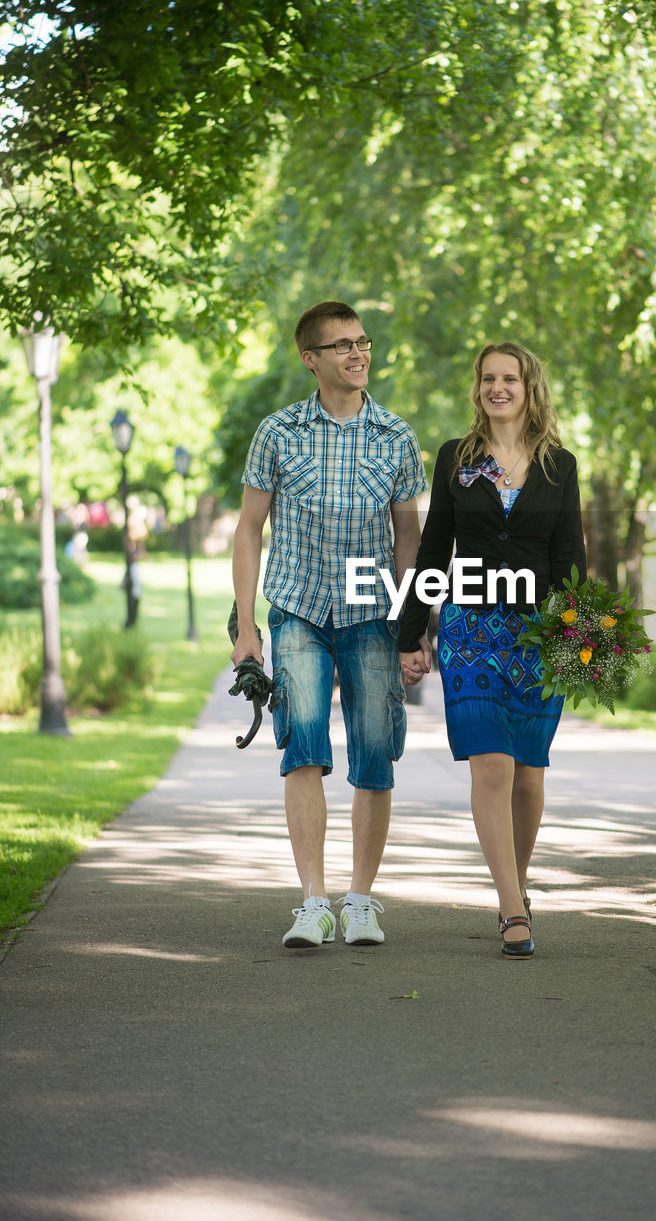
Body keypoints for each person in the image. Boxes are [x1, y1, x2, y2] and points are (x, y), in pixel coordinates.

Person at [231, 301, 429, 950]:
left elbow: (409, 539)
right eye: (342, 344)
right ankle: (313, 902)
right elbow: (247, 531)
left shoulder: (396, 437)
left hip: (372, 613)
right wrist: (246, 629)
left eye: (363, 341)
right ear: (310, 358)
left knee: (375, 752)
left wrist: (412, 627)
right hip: (298, 611)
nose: (358, 353)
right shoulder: (277, 433)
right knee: (304, 747)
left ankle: (362, 901)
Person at [398, 341, 586, 959]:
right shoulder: (457, 458)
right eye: (487, 379)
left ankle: (518, 885)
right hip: (471, 629)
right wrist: (412, 631)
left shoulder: (561, 466)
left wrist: (577, 636)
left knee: (529, 775)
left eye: (509, 378)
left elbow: (569, 559)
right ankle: (511, 910)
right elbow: (434, 549)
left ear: (529, 387)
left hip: (536, 633)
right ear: (477, 389)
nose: (497, 388)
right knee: (492, 765)